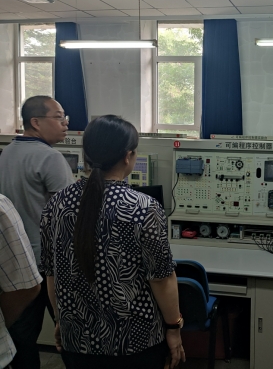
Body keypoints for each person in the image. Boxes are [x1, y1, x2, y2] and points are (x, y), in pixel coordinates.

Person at [40, 115, 185, 369]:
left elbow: (51, 273)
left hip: (77, 339)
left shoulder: (57, 204)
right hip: (136, 342)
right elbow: (162, 278)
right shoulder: (143, 207)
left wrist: (61, 319)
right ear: (128, 156)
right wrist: (173, 327)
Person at [0, 95, 74, 369]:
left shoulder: (7, 153)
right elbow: (67, 217)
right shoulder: (50, 158)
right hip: (48, 263)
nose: (65, 123)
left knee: (22, 339)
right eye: (58, 117)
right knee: (69, 333)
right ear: (36, 122)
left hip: (17, 264)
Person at [0, 194, 42, 368]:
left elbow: (25, 290)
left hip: (36, 263)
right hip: (34, 263)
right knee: (25, 338)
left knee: (24, 336)